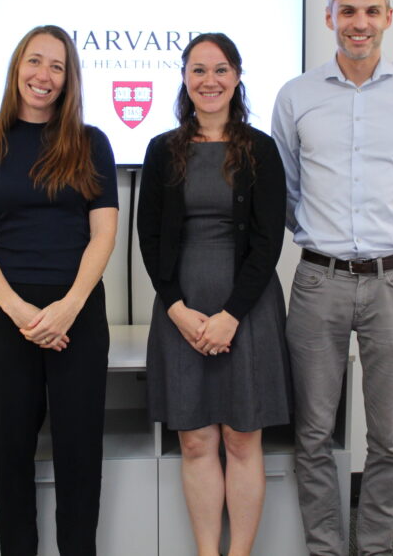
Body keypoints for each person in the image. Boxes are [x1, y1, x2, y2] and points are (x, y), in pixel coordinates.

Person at [271, 0, 393, 556]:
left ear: (388, 18)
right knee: (312, 432)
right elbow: (285, 189)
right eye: (347, 11)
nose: (359, 23)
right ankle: (325, 548)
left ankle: (374, 547)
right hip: (317, 281)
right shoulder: (296, 95)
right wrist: (318, 237)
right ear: (329, 17)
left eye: (371, 11)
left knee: (389, 438)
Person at [0, 25, 119, 556]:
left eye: (57, 66)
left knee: (79, 452)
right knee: (10, 453)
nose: (43, 75)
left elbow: (103, 234)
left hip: (78, 310)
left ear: (69, 79)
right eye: (34, 61)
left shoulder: (91, 142)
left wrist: (68, 307)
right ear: (16, 67)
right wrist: (20, 311)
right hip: (9, 312)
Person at [139, 33, 291, 556]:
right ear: (185, 78)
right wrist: (176, 309)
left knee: (242, 439)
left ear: (237, 76)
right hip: (181, 309)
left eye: (221, 69)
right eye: (199, 70)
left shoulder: (261, 149)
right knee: (195, 440)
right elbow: (149, 237)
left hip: (248, 310)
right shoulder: (162, 150)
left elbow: (268, 242)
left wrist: (230, 316)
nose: (210, 80)